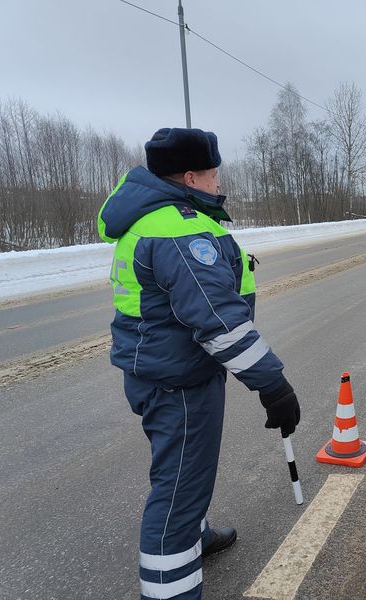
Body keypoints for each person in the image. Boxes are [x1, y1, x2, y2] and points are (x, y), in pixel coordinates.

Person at [97, 127, 301, 600]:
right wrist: (272, 384)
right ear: (191, 176)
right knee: (177, 491)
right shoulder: (178, 229)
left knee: (182, 468)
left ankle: (195, 532)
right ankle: (170, 585)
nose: (217, 184)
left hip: (157, 368)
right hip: (179, 381)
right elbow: (217, 320)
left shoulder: (151, 217)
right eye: (212, 175)